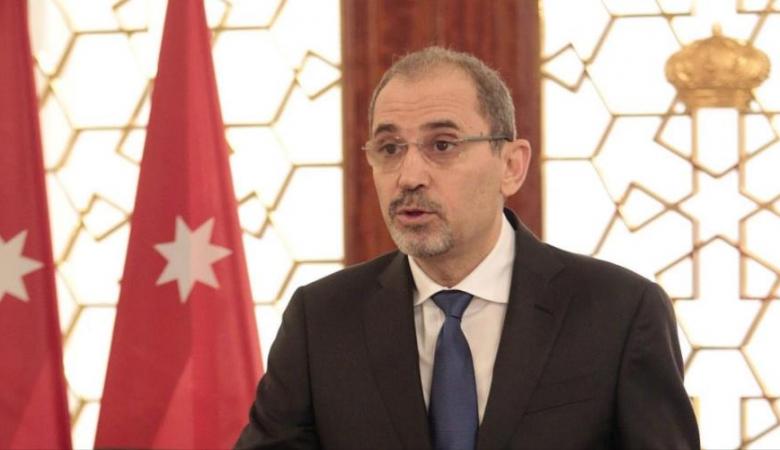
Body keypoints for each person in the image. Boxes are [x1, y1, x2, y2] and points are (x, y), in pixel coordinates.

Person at [235, 46, 700, 450]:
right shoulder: (321, 320)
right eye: (390, 148)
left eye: (442, 145)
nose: (409, 176)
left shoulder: (620, 313)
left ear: (511, 166)